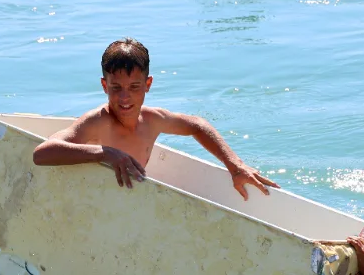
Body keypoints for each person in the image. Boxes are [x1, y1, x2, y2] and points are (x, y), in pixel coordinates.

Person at [32, 38, 278, 200]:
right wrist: (106, 153)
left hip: (130, 205)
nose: (125, 97)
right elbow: (42, 153)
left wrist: (235, 166)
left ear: (148, 85)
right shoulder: (98, 122)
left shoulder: (152, 120)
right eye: (116, 87)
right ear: (104, 85)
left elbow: (197, 126)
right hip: (92, 203)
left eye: (134, 87)